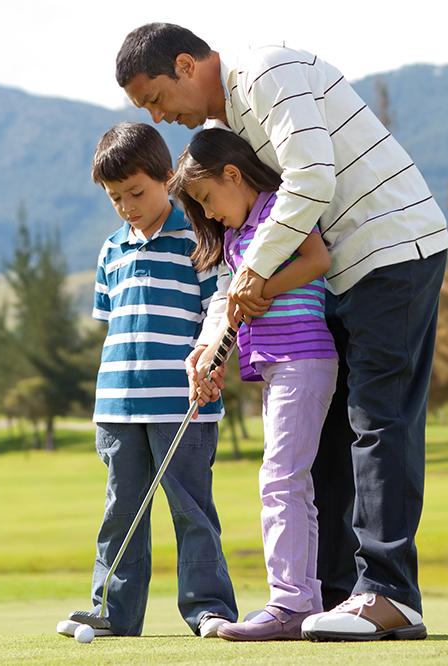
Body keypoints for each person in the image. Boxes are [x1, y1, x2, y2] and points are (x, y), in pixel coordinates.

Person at [115, 23, 448, 641]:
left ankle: (390, 594)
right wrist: (212, 340)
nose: (161, 118)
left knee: (380, 418)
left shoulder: (266, 72)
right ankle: (329, 595)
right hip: (345, 273)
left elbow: (312, 180)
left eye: (156, 99)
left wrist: (254, 273)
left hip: (392, 248)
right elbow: (247, 254)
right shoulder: (235, 130)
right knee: (327, 438)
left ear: (186, 66)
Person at [172, 127, 338, 641]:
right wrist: (207, 354)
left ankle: (288, 603)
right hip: (274, 365)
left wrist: (262, 285)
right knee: (291, 482)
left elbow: (316, 260)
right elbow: (228, 303)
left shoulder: (276, 213)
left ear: (232, 174)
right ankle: (303, 601)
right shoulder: (237, 239)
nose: (211, 214)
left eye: (207, 200)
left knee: (280, 480)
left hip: (304, 357)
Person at [75, 121, 238, 638]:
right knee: (121, 512)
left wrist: (211, 361)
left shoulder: (199, 237)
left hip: (184, 405)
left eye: (137, 192)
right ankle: (113, 615)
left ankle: (208, 609)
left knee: (192, 511)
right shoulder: (110, 251)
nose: (127, 206)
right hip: (119, 407)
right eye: (116, 197)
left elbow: (222, 306)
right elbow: (113, 326)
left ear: (168, 179)